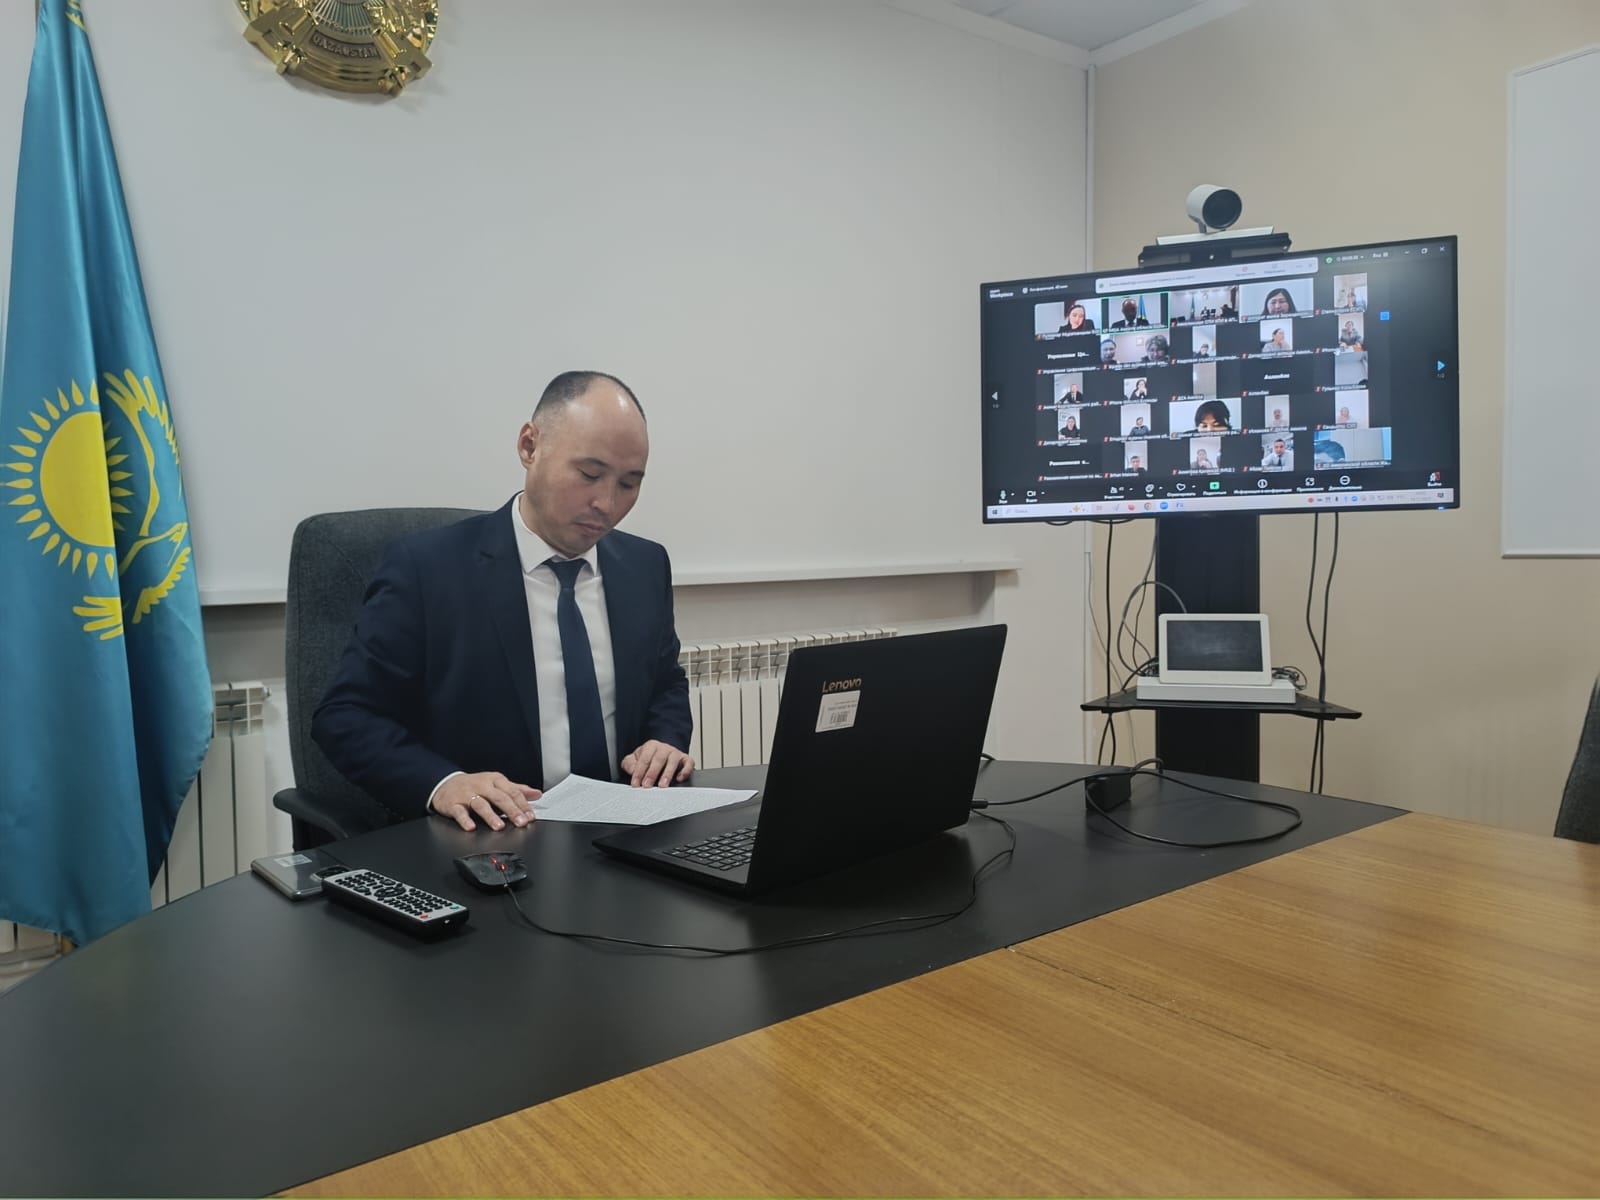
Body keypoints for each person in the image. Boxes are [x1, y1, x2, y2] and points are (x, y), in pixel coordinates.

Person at [312, 371, 695, 834]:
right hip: (496, 839)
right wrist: (443, 784)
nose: (606, 503)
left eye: (629, 484)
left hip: (624, 832)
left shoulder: (645, 566)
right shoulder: (428, 569)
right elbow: (346, 716)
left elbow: (665, 684)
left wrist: (664, 740)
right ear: (529, 446)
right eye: (590, 474)